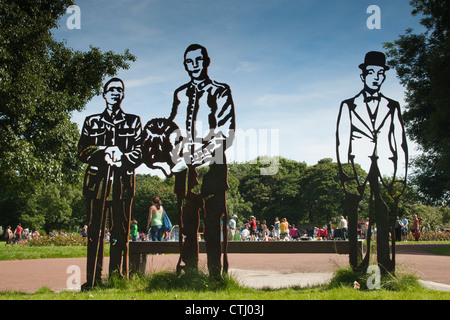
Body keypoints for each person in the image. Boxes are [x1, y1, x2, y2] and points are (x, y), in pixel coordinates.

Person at [168, 44, 236, 276]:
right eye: (189, 61)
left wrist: (195, 157)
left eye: (198, 60)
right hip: (186, 169)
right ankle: (190, 272)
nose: (194, 65)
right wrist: (174, 155)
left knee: (213, 223)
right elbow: (173, 128)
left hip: (213, 165)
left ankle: (216, 274)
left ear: (206, 61)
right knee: (187, 223)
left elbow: (227, 133)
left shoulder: (220, 90)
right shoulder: (179, 93)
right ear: (185, 65)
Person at [336, 51, 408, 269]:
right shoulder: (349, 104)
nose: (376, 77)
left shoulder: (392, 105)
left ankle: (386, 262)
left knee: (383, 210)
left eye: (380, 73)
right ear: (363, 76)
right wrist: (347, 176)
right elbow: (342, 141)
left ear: (384, 76)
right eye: (371, 72)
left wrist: (400, 177)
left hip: (386, 164)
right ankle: (359, 264)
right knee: (358, 211)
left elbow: (400, 142)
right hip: (359, 165)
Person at [78, 77, 143, 288]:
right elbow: (82, 151)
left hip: (122, 184)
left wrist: (123, 157)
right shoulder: (91, 121)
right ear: (104, 94)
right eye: (111, 90)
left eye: (119, 90)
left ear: (123, 95)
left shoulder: (133, 121)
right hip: (97, 185)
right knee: (94, 231)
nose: (115, 93)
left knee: (120, 232)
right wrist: (102, 152)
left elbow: (140, 151)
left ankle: (116, 278)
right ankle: (93, 279)